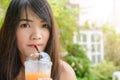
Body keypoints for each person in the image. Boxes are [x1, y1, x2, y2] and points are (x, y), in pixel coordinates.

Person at [0, 0, 77, 80]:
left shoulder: (64, 73)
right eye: (25, 25)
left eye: (44, 25)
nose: (36, 35)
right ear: (11, 29)